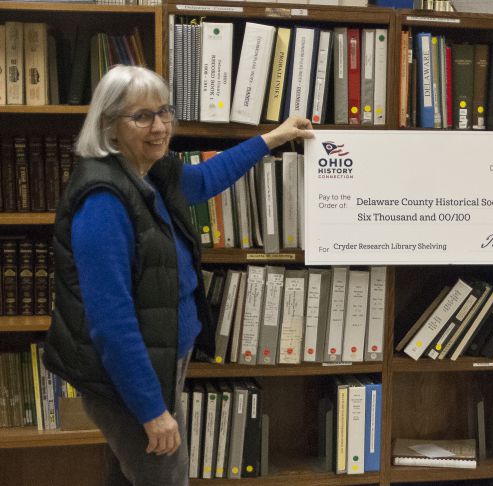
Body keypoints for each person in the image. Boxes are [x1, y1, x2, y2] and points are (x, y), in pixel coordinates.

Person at [42, 65, 313, 485]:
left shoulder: (150, 172)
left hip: (159, 360)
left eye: (164, 111)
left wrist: (274, 138)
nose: (160, 126)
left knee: (133, 476)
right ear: (110, 127)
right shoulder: (103, 201)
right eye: (142, 116)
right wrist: (151, 409)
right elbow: (112, 323)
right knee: (165, 478)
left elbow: (206, 178)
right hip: (126, 378)